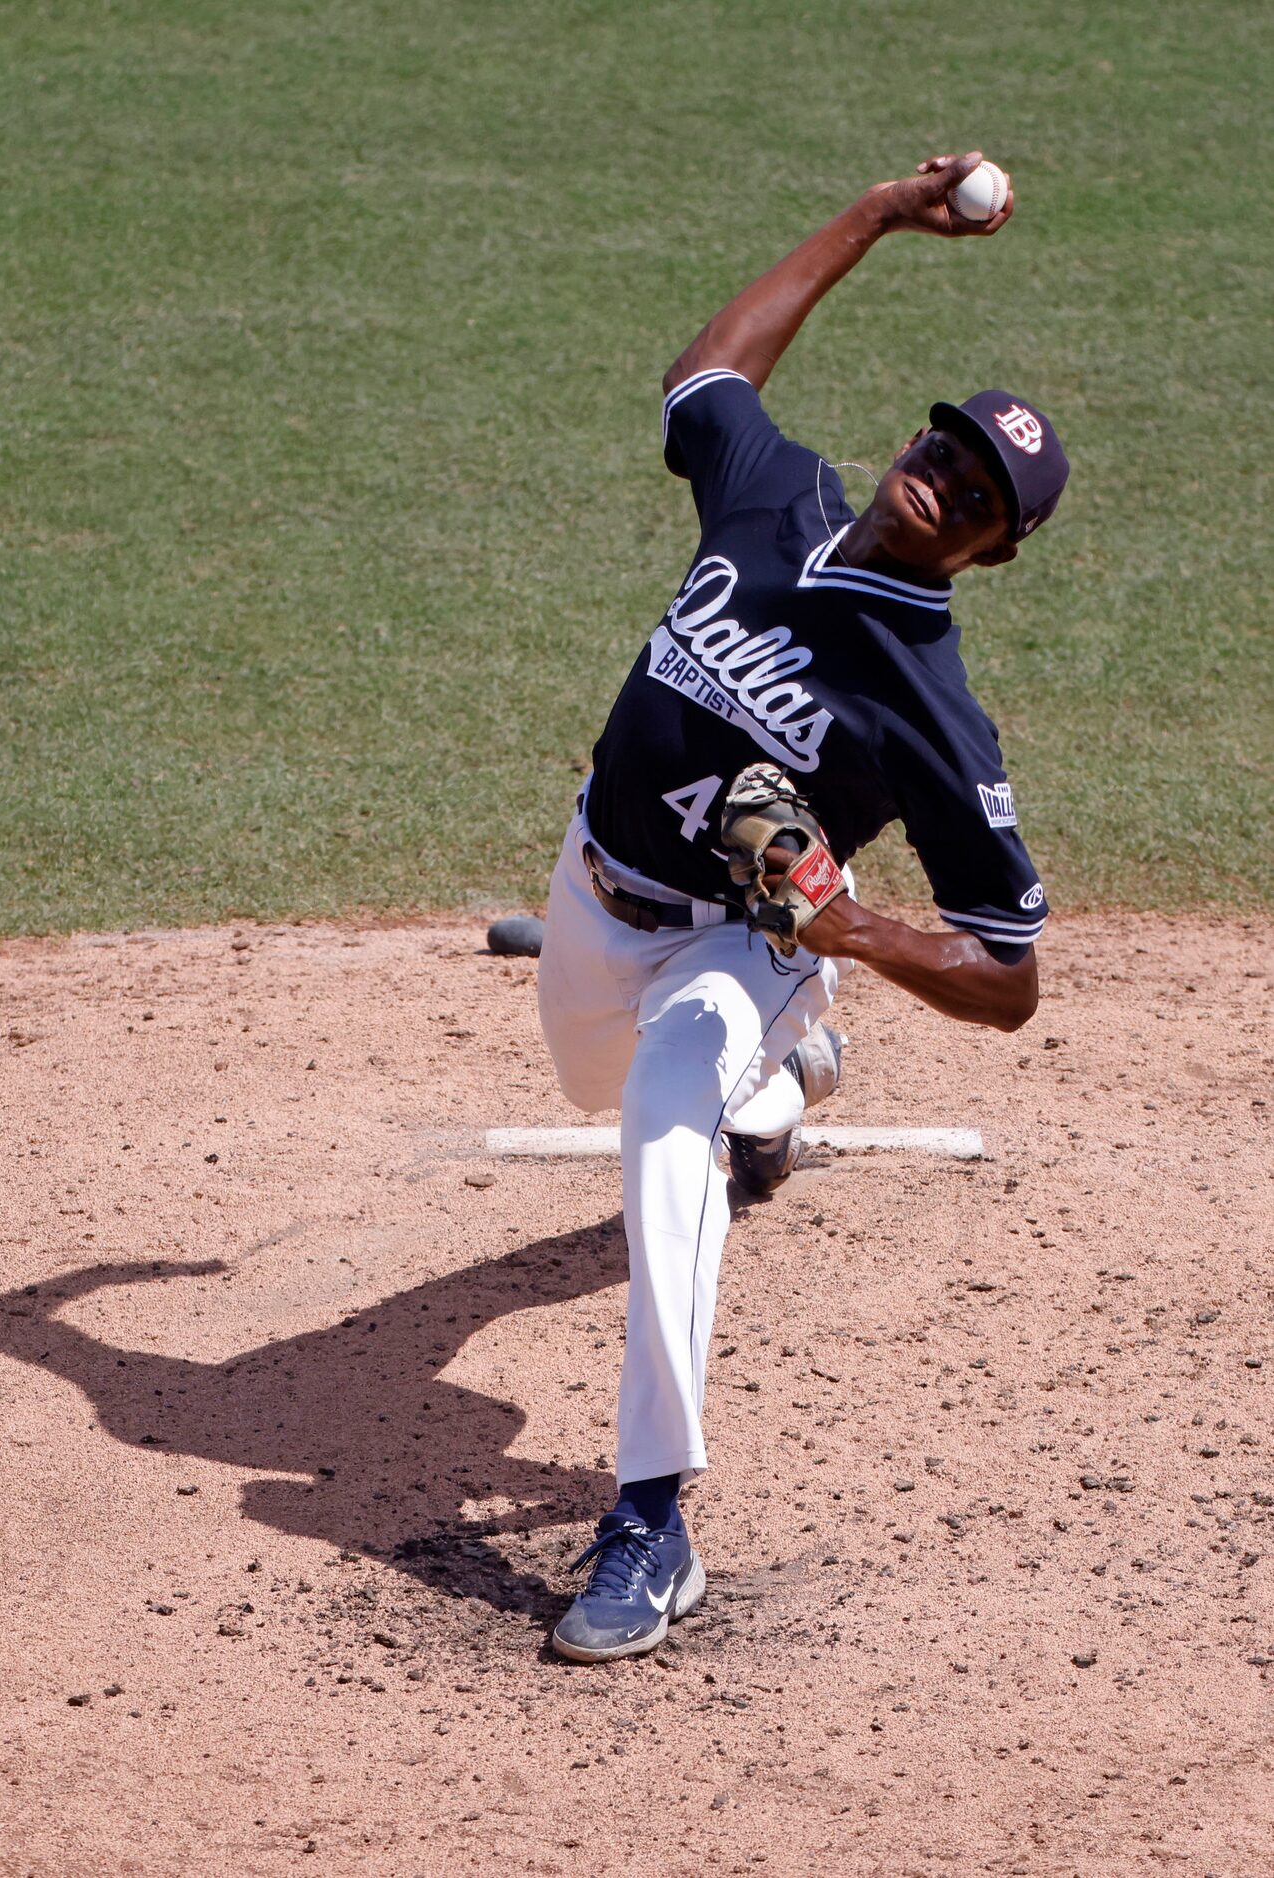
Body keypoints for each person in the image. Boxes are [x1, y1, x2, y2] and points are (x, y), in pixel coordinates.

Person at [535, 152, 1069, 1663]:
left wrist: (851, 932)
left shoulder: (931, 710)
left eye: (982, 495)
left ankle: (652, 1517)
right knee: (599, 1071)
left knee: (656, 1108)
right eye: (950, 446)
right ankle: (780, 1089)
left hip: (736, 941)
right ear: (916, 433)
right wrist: (884, 217)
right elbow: (701, 376)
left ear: (995, 549)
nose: (949, 478)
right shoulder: (780, 499)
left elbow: (1011, 970)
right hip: (591, 888)